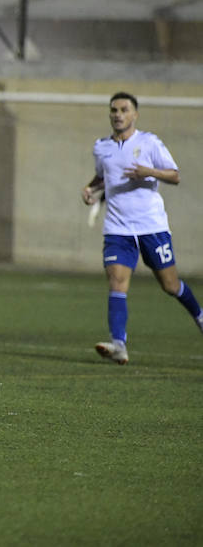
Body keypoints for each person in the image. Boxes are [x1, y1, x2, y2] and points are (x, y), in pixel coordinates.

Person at [82, 91, 203, 364]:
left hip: (151, 227)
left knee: (171, 285)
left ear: (135, 114)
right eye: (114, 110)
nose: (118, 114)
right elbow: (104, 176)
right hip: (117, 229)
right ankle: (119, 345)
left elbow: (175, 175)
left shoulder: (150, 143)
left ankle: (199, 315)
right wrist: (91, 189)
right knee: (117, 281)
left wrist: (149, 172)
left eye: (124, 110)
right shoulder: (101, 147)